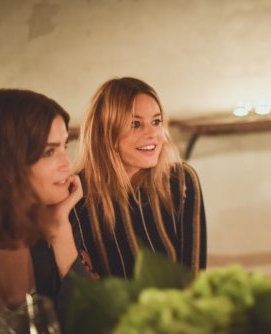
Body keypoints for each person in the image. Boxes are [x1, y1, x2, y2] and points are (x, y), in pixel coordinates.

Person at [71, 77, 207, 278]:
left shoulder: (181, 180)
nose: (152, 134)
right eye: (135, 124)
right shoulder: (74, 192)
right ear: (104, 132)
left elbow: (194, 278)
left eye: (156, 121)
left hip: (176, 309)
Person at [0, 89, 92, 331]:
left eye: (65, 146)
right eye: (48, 152)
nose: (68, 164)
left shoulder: (47, 231)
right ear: (5, 161)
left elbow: (90, 323)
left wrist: (60, 230)